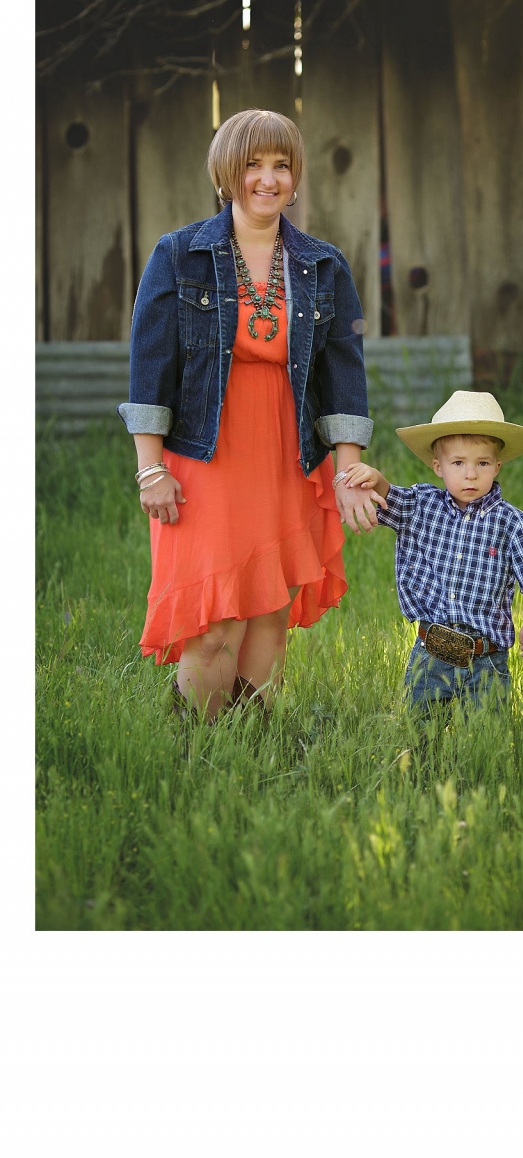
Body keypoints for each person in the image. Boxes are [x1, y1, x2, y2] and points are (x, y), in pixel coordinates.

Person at [117, 108, 383, 721]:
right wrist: (150, 470)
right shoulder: (178, 255)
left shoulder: (323, 265)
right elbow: (149, 366)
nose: (268, 179)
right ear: (226, 174)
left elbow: (344, 374)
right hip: (205, 456)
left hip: (286, 457)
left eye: (282, 166)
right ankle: (195, 749)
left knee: (269, 617)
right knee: (214, 625)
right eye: (253, 166)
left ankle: (252, 753)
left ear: (296, 177)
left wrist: (346, 474)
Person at [343, 390, 523, 713]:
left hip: (486, 656)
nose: (470, 474)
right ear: (438, 466)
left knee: (484, 737)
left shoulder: (512, 523)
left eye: (482, 463)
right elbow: (392, 498)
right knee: (420, 730)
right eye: (458, 463)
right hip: (432, 650)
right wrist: (376, 479)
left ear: (497, 466)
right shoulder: (423, 505)